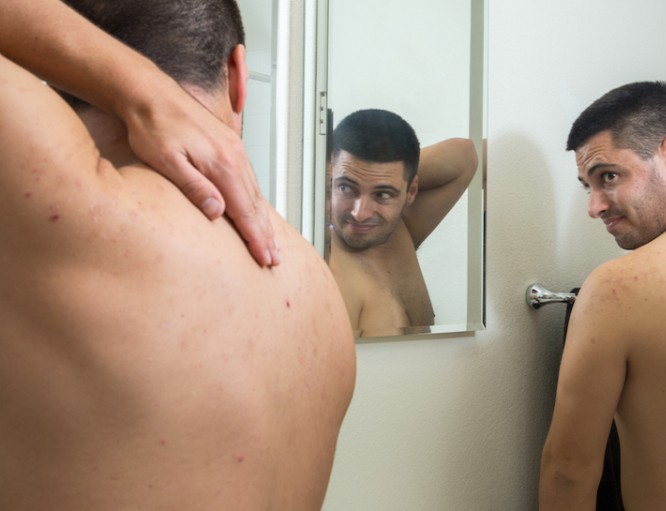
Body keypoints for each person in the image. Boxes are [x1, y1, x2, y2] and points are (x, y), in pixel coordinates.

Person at [0, 1, 355, 510]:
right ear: (238, 75)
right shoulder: (317, 289)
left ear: (50, 69)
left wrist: (137, 86)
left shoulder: (66, 204)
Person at [539, 81, 666, 510]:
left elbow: (569, 471)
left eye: (609, 177)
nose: (594, 207)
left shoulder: (617, 291)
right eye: (587, 185)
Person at [328, 109, 478, 337]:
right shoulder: (330, 272)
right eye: (346, 187)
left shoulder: (399, 231)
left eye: (383, 194)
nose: (360, 214)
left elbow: (465, 156)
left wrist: (390, 176)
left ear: (411, 192)